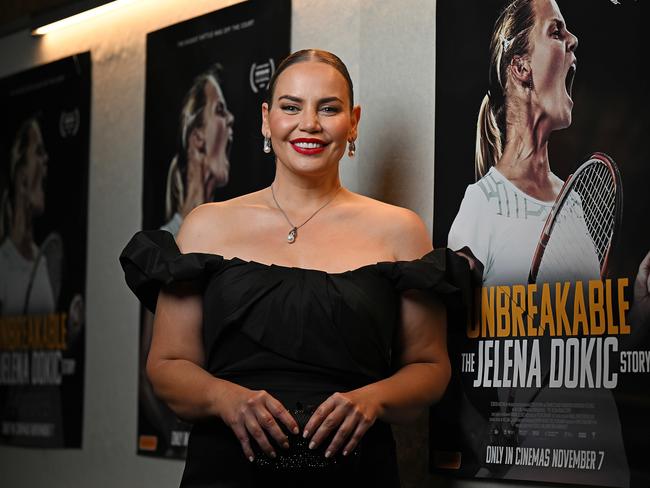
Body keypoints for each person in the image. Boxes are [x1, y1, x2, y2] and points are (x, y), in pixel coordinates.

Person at [121, 49, 469, 486]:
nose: (310, 124)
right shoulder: (206, 224)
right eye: (291, 107)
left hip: (355, 473)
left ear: (353, 121)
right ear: (266, 119)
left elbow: (429, 366)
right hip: (227, 473)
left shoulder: (400, 230)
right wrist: (224, 398)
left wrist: (373, 400)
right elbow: (168, 363)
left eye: (329, 108)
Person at [446, 0, 632, 484]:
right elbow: (449, 363)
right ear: (521, 67)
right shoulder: (480, 206)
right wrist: (479, 439)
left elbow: (594, 353)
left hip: (606, 466)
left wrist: (644, 311)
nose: (573, 42)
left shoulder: (578, 204)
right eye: (557, 32)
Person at [161, 64, 234, 236]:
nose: (231, 118)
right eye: (220, 110)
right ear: (198, 137)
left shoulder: (226, 238)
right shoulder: (166, 245)